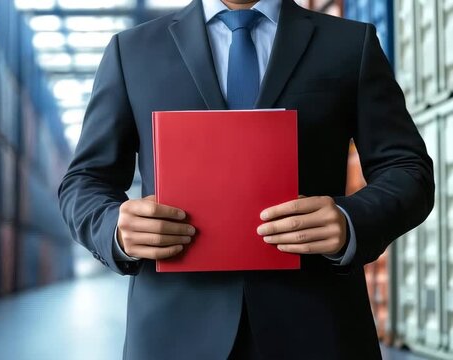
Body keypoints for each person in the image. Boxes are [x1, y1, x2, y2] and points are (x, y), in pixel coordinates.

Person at [58, 0, 434, 358]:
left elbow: (408, 169)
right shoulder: (132, 51)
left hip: (318, 328)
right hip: (174, 334)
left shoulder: (350, 44)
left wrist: (351, 221)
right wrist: (115, 229)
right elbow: (85, 180)